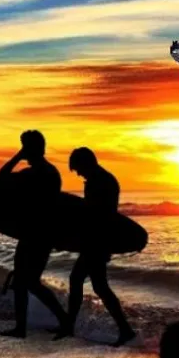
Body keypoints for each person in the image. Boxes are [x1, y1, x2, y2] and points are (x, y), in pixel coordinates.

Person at [56, 147, 135, 346]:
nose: (78, 173)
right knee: (99, 286)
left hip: (97, 241)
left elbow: (98, 216)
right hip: (96, 241)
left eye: (78, 169)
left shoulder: (101, 182)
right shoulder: (100, 179)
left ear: (86, 163)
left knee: (82, 281)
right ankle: (124, 330)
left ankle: (70, 327)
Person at [0, 130, 69, 338]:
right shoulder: (49, 172)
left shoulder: (36, 173)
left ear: (30, 148)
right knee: (25, 281)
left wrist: (17, 157)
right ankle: (26, 327)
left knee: (29, 282)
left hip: (36, 234)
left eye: (24, 146)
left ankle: (60, 321)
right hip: (39, 233)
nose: (22, 151)